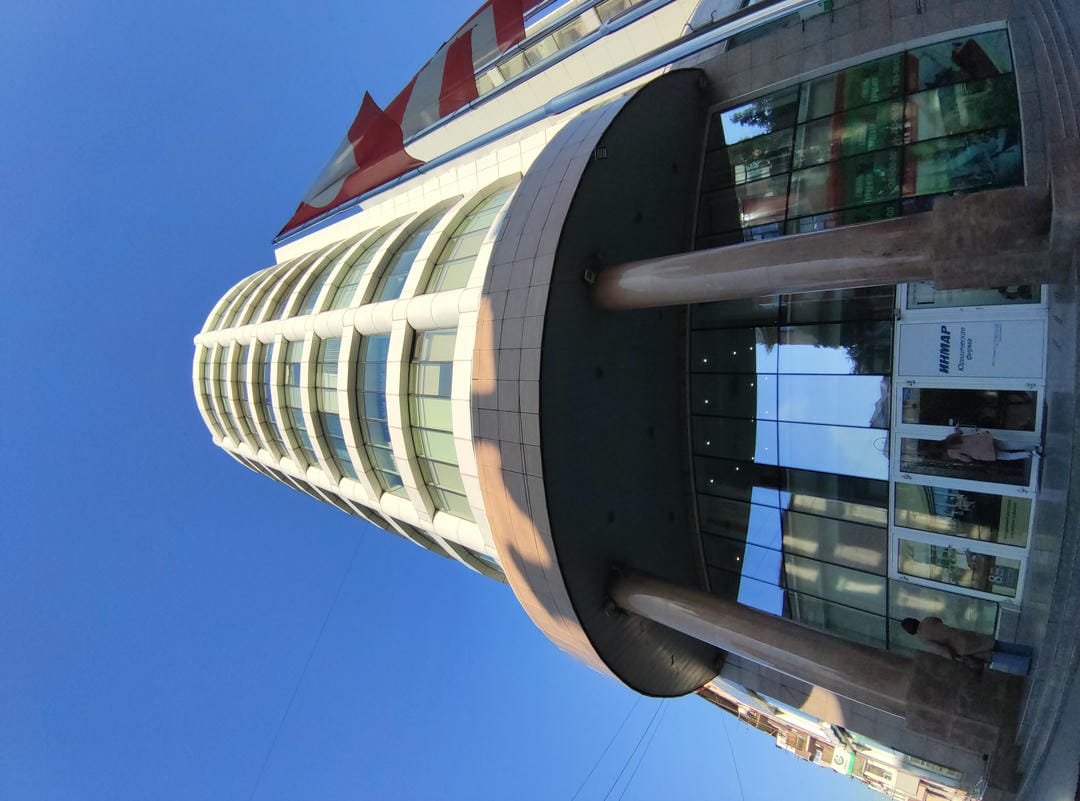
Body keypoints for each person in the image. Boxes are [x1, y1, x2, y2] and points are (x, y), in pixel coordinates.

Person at [900, 616, 995, 664]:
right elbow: (939, 621)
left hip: (962, 649)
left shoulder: (923, 638)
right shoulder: (927, 620)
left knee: (994, 656)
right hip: (964, 635)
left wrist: (954, 660)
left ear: (910, 631)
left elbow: (942, 650)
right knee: (993, 643)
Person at [939, 428, 1038, 462]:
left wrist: (969, 458)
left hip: (983, 453)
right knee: (1010, 445)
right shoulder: (949, 438)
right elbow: (959, 432)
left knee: (1007, 456)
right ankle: (1034, 445)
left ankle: (1029, 453)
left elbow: (966, 459)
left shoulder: (950, 452)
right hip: (983, 441)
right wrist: (956, 429)